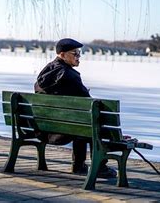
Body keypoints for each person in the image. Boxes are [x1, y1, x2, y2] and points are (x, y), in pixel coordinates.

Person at [34, 38, 117, 178]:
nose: (79, 57)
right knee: (91, 124)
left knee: (79, 122)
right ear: (62, 55)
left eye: (79, 53)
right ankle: (99, 167)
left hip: (42, 130)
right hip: (62, 131)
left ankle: (79, 165)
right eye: (75, 54)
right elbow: (89, 104)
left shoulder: (44, 74)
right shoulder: (70, 76)